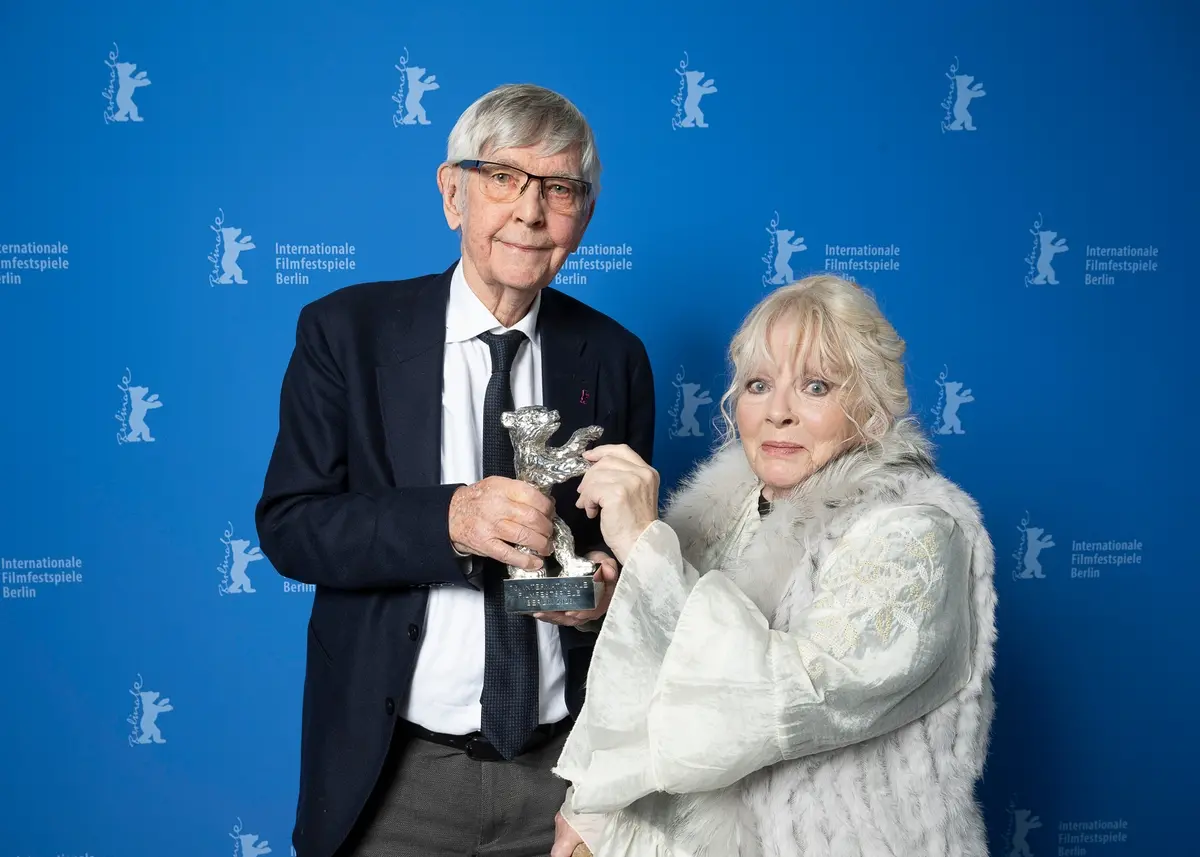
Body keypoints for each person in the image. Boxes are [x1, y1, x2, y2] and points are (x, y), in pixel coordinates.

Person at [254, 83, 656, 857]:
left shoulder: (615, 357)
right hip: (396, 773)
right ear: (453, 192)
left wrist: (604, 592)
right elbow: (291, 525)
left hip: (565, 778)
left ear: (585, 216)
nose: (530, 211)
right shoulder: (345, 333)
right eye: (504, 177)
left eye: (560, 189)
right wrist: (450, 520)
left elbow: (633, 566)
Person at [551, 274, 997, 857]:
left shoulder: (914, 532)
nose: (778, 411)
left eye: (816, 386)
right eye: (759, 384)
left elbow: (791, 697)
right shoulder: (724, 508)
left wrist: (645, 549)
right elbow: (658, 675)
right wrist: (597, 812)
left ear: (872, 406)